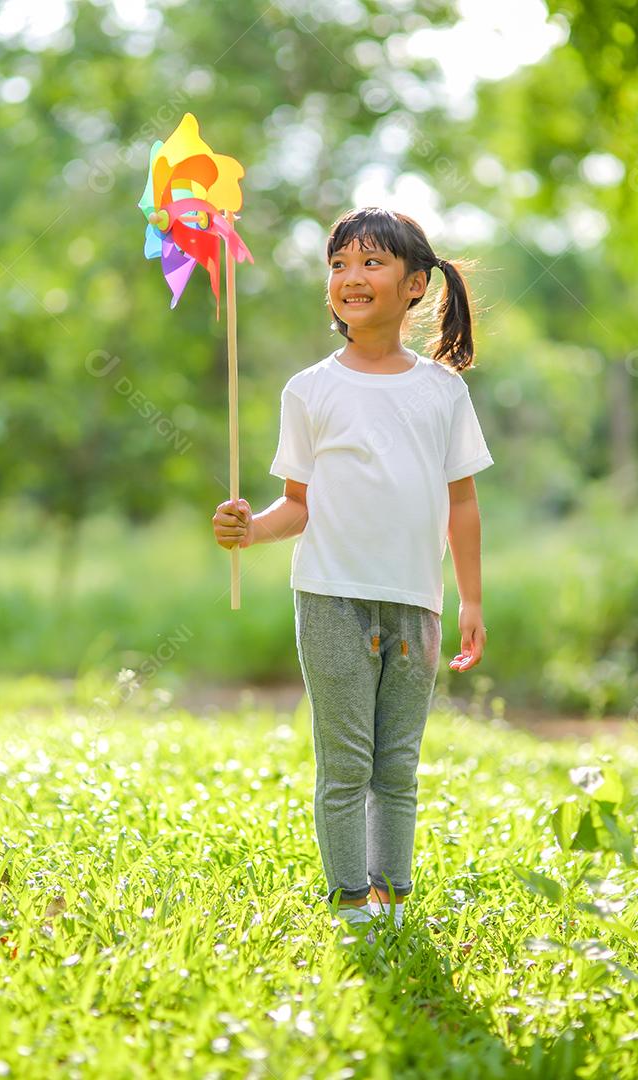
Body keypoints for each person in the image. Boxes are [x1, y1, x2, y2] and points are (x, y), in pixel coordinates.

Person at [212, 206, 494, 944]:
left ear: (415, 284)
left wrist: (471, 598)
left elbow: (463, 503)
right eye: (338, 264)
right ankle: (350, 905)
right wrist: (251, 528)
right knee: (345, 763)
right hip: (330, 597)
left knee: (396, 764)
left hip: (416, 602)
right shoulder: (309, 389)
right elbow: (296, 506)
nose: (351, 276)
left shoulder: (443, 391)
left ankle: (391, 901)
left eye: (371, 262)